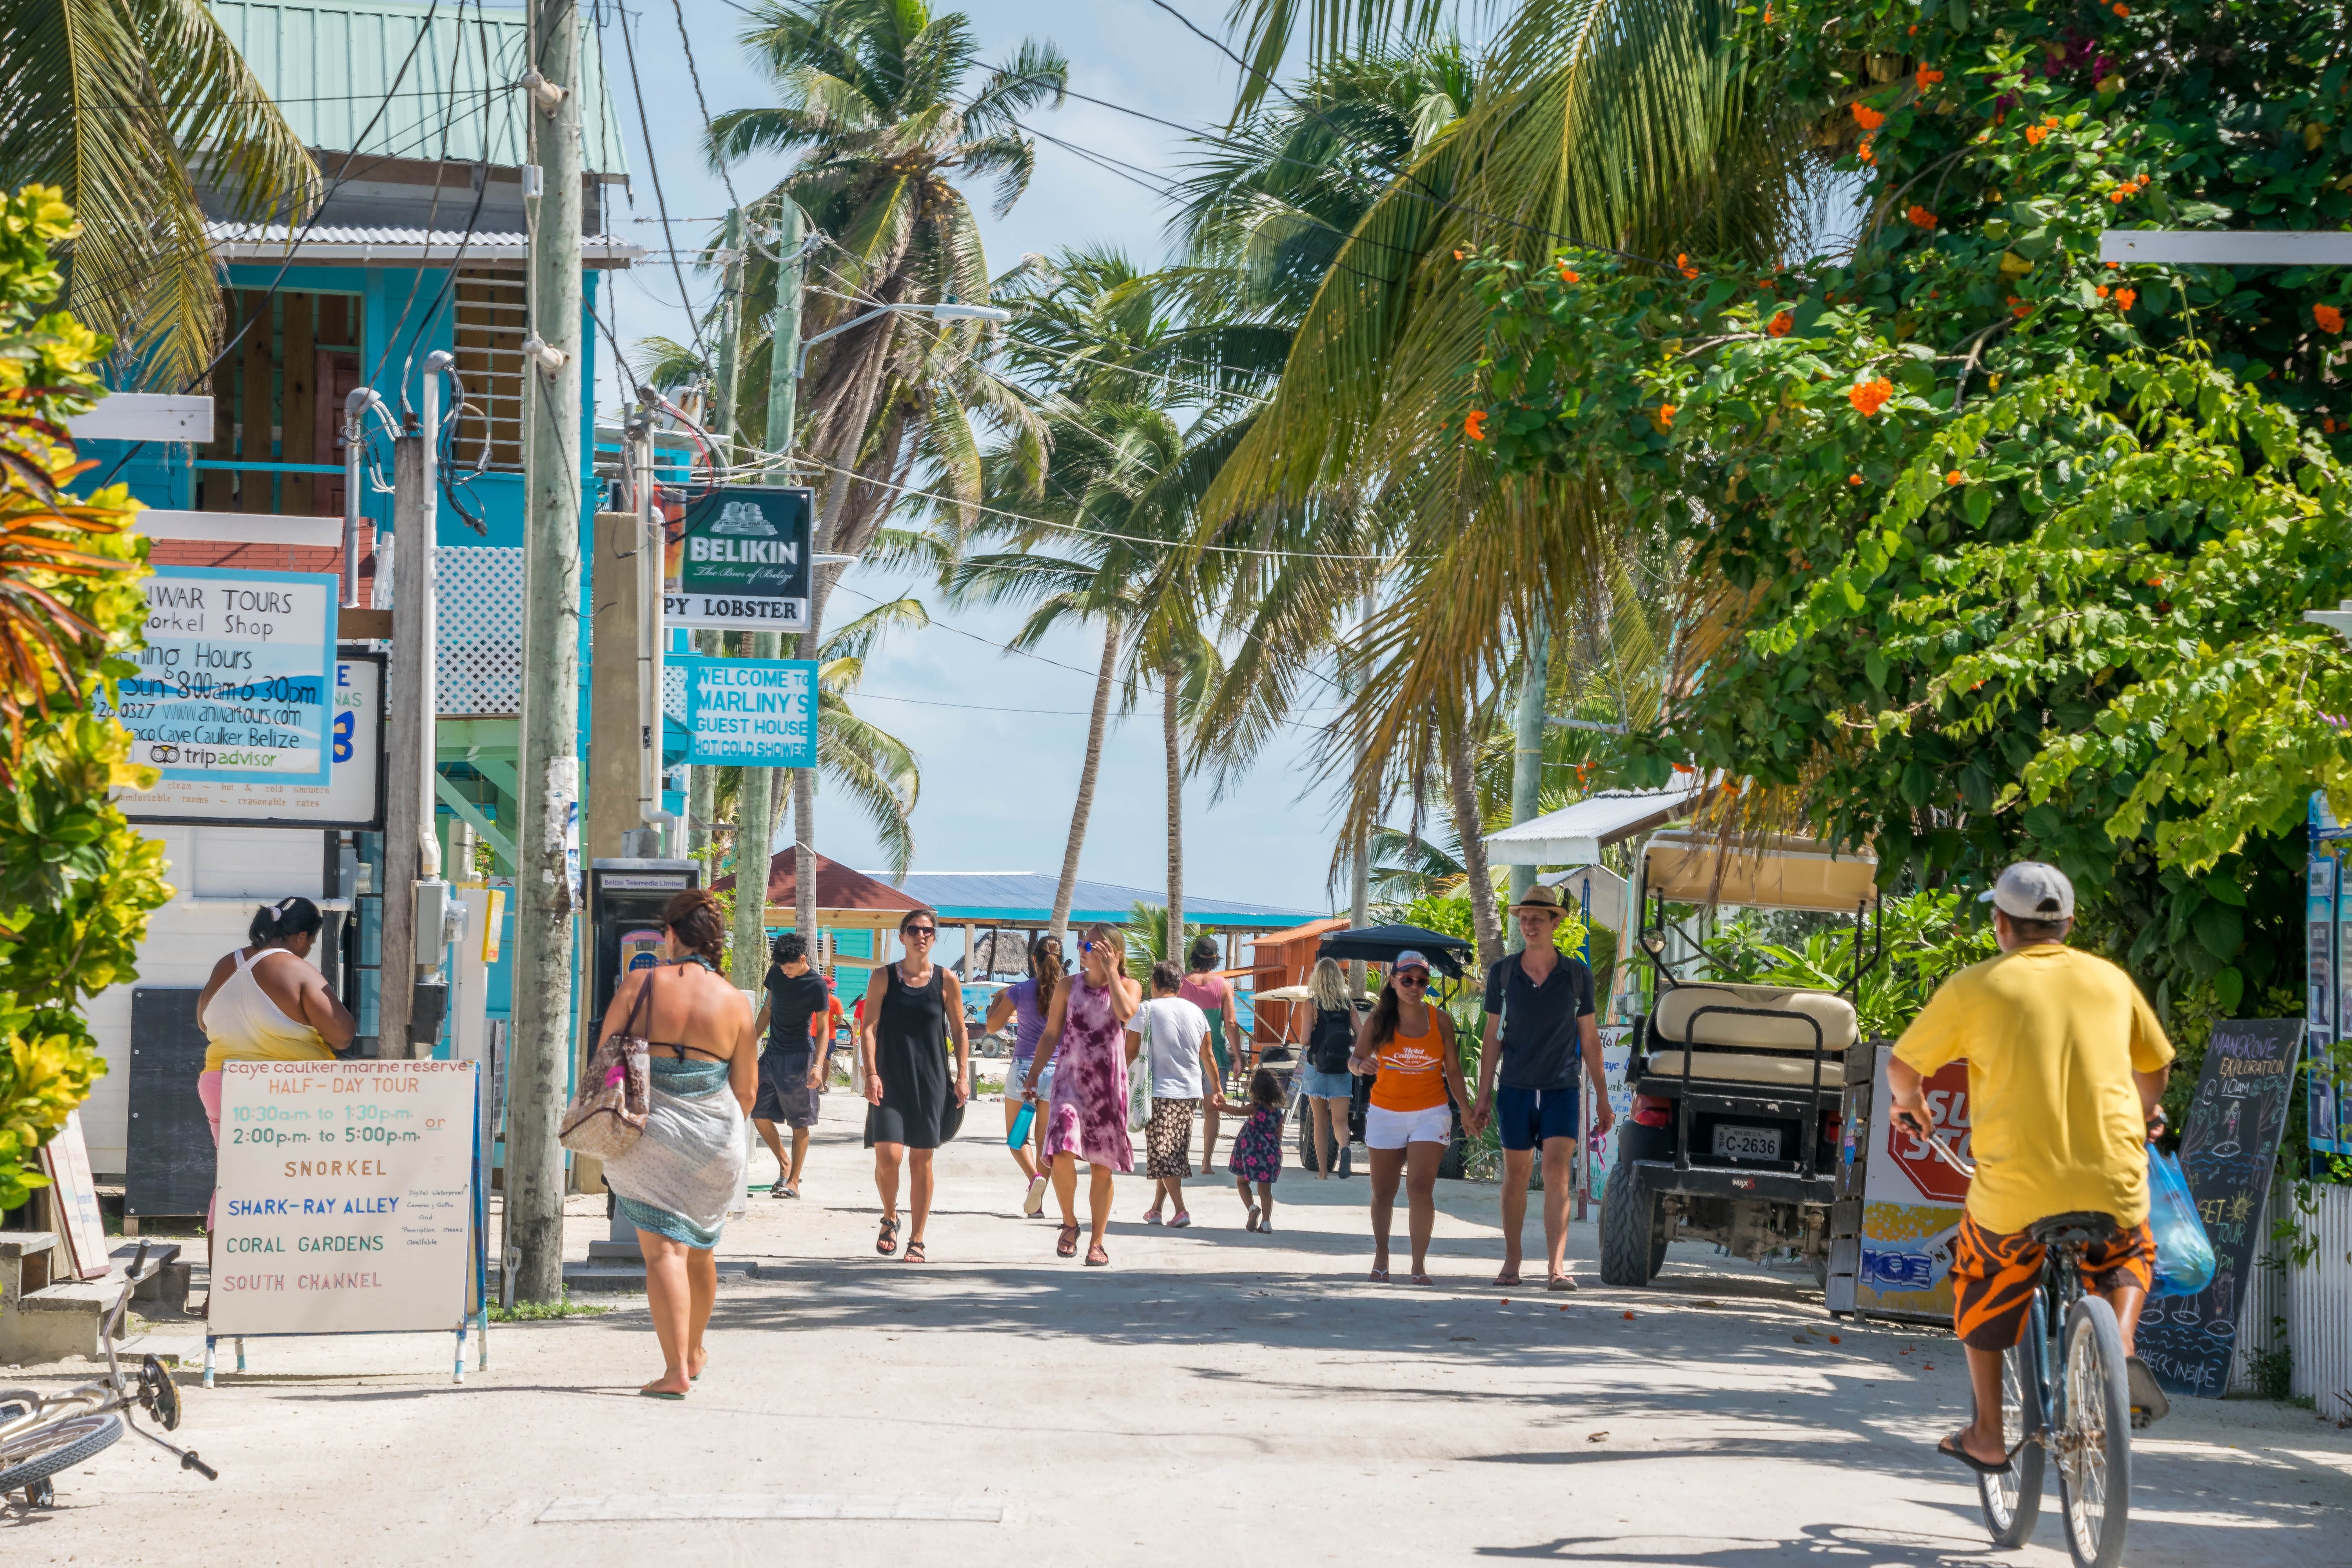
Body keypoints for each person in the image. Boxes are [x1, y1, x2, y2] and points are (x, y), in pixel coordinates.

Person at [1890, 862, 2177, 1474]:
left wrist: (1911, 1105)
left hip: (2015, 1197)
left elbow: (1903, 1069)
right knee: (2130, 1250)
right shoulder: (2110, 980)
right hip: (2112, 1179)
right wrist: (2145, 1113)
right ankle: (2120, 1345)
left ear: (2000, 923)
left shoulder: (1977, 986)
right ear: (2069, 923)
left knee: (1980, 1274)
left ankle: (1988, 1435)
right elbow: (2154, 1071)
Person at [595, 889, 755, 1399]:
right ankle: (694, 1352)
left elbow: (606, 1059)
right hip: (715, 1138)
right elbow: (747, 1091)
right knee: (701, 1250)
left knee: (663, 1252)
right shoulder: (735, 1001)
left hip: (651, 1134)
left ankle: (675, 1371)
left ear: (670, 934)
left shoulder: (641, 984)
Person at [1469, 884, 1615, 1291]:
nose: (1529, 925)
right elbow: (1493, 1036)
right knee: (1516, 1176)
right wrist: (1483, 1095)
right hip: (1515, 1087)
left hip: (1561, 1088)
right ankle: (1512, 1262)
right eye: (1524, 918)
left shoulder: (1577, 976)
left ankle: (1557, 1268)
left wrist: (1602, 1097)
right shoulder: (1503, 974)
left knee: (1556, 1173)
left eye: (1537, 918)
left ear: (1555, 923)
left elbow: (1589, 1039)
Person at [195, 899, 355, 1231]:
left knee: (233, 1181)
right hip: (287, 1090)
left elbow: (203, 1022)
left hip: (221, 1084)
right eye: (311, 942)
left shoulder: (227, 964)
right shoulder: (296, 969)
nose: (308, 949)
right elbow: (342, 1036)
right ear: (300, 936)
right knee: (299, 1181)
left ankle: (222, 1266)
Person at [1021, 922, 1140, 1265]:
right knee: (1061, 1151)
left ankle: (1097, 1242)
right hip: (1069, 1082)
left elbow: (1126, 1013)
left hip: (1107, 1087)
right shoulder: (1067, 985)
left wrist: (1113, 972)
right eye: (1084, 945)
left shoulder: (1129, 985)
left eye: (1092, 947)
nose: (1084, 951)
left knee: (1102, 1167)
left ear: (1114, 953)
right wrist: (1033, 1074)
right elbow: (1051, 1033)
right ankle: (1069, 1223)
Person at [1350, 951, 1471, 1285]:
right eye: (1407, 980)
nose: (1414, 987)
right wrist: (1361, 1066)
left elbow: (1454, 1071)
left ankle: (1419, 1266)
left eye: (1421, 981)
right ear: (1393, 981)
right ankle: (1382, 1257)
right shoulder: (1379, 1020)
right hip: (1385, 1113)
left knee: (1419, 1186)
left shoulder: (1440, 1020)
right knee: (1383, 1192)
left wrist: (1467, 1109)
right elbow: (1355, 1059)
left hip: (1431, 1112)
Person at [858, 909, 971, 1262]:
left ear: (934, 938)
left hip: (931, 1081)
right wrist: (871, 1074)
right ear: (902, 936)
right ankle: (890, 1216)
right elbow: (868, 1028)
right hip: (889, 1079)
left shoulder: (946, 980)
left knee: (921, 1160)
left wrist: (963, 1076)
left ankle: (918, 1238)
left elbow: (960, 1030)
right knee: (888, 1156)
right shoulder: (883, 978)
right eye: (913, 930)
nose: (920, 936)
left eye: (927, 931)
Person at [1130, 961, 1217, 1227]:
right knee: (1170, 1152)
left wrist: (1118, 1083)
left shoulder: (1146, 1010)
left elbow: (1129, 1052)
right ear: (1180, 986)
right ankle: (1156, 1209)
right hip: (1190, 1093)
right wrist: (1217, 1089)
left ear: (1154, 984)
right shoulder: (1197, 1013)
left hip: (1159, 1092)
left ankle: (1181, 1211)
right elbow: (1208, 1055)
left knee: (1163, 1153)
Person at [983, 934, 1063, 1216]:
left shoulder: (1020, 990)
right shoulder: (1068, 992)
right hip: (1057, 1071)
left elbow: (992, 1027)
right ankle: (1037, 1203)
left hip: (1024, 1070)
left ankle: (1034, 1179)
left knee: (1017, 1137)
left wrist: (1000, 997)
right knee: (1044, 1143)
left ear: (1034, 960)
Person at [749, 933, 828, 1199]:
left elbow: (824, 1029)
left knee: (798, 1122)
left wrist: (818, 1066)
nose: (785, 971)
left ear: (803, 959)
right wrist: (749, 1043)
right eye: (782, 966)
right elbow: (768, 1009)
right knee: (757, 1111)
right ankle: (785, 1163)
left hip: (799, 1058)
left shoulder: (817, 985)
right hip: (772, 1055)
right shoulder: (776, 972)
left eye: (789, 967)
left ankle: (793, 1182)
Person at [1178, 936, 1245, 1171]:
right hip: (1215, 1055)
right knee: (1212, 1108)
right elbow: (1231, 1023)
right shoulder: (1224, 985)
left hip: (1185, 1055)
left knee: (1183, 1111)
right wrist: (1238, 1057)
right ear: (1216, 959)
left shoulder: (1181, 984)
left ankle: (1180, 1160)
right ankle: (1206, 1162)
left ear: (1194, 956)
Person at [1297, 957, 1360, 1179]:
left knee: (1320, 1122)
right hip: (1342, 1068)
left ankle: (1323, 1172)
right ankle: (1345, 1148)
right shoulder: (1348, 1005)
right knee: (1340, 1121)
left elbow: (1305, 1040)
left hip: (1316, 1067)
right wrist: (1345, 1042)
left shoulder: (1311, 1005)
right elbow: (1361, 1037)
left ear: (1317, 978)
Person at [1219, 1067, 1287, 1232]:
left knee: (1242, 1182)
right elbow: (1279, 1136)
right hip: (1270, 1156)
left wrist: (1222, 1106)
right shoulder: (1278, 1114)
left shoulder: (1254, 1109)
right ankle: (1266, 1223)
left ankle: (1252, 1208)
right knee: (1265, 1191)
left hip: (1251, 1155)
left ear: (1255, 1091)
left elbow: (1237, 1111)